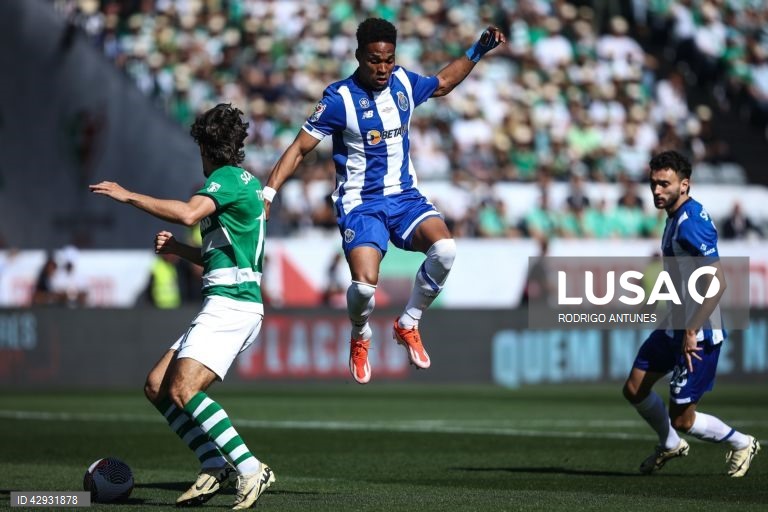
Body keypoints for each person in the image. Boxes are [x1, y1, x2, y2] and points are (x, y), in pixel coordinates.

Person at [261, 18, 505, 384]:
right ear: (359, 56)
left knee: (446, 250)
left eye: (389, 59)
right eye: (375, 60)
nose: (383, 68)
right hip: (361, 204)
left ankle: (408, 322)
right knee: (363, 288)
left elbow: (443, 83)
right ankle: (360, 334)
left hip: (404, 196)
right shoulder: (338, 99)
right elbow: (298, 149)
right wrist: (269, 192)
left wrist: (477, 51)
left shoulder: (404, 82)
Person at [89, 103, 275, 508]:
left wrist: (128, 196)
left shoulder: (225, 180)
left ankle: (249, 468)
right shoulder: (243, 183)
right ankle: (213, 465)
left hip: (232, 305)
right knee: (157, 386)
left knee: (183, 389)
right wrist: (178, 249)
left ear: (206, 149)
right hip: (226, 301)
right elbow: (223, 255)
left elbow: (189, 211)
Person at [622, 150, 760, 477]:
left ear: (684, 185)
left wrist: (691, 330)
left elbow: (717, 281)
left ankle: (742, 442)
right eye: (654, 183)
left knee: (683, 419)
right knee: (634, 388)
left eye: (664, 184)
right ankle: (669, 445)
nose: (657, 191)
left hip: (699, 330)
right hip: (677, 322)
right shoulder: (674, 216)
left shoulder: (690, 224)